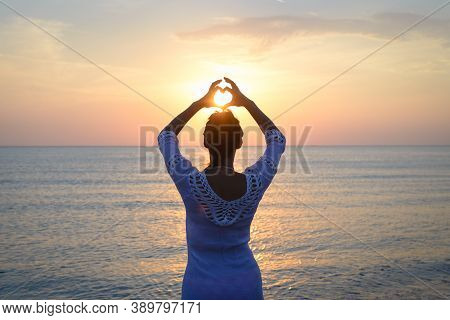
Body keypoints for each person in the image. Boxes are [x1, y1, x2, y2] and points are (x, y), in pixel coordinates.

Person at [158, 78, 286, 299]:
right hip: (246, 284)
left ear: (206, 141)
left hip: (200, 288)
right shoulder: (255, 183)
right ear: (240, 142)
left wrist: (200, 103)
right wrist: (247, 102)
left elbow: (166, 136)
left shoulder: (190, 183)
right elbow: (277, 139)